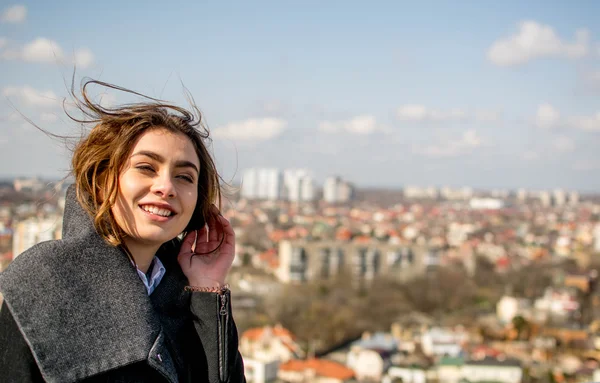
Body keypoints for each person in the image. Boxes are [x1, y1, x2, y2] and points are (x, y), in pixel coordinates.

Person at [0, 80, 246, 382]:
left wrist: (208, 286)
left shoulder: (192, 295)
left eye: (184, 176)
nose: (166, 187)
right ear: (102, 180)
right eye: (146, 167)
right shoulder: (44, 280)